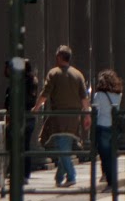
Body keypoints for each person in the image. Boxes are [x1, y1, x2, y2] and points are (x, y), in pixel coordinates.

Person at [33, 46, 89, 189]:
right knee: (65, 146)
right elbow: (84, 98)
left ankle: (71, 176)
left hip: (59, 116)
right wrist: (87, 114)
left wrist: (36, 108)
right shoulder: (78, 75)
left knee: (62, 148)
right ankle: (59, 177)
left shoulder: (54, 73)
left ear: (59, 57)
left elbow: (45, 94)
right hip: (74, 117)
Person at [3, 60, 37, 182]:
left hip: (19, 117)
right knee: (25, 146)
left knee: (16, 146)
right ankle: (25, 174)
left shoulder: (19, 82)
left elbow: (12, 100)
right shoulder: (33, 81)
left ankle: (17, 174)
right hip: (29, 117)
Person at [91, 70, 122, 191]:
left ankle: (110, 181)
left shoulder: (98, 95)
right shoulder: (118, 95)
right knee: (112, 155)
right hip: (113, 127)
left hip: (102, 125)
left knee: (105, 156)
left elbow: (95, 110)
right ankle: (111, 179)